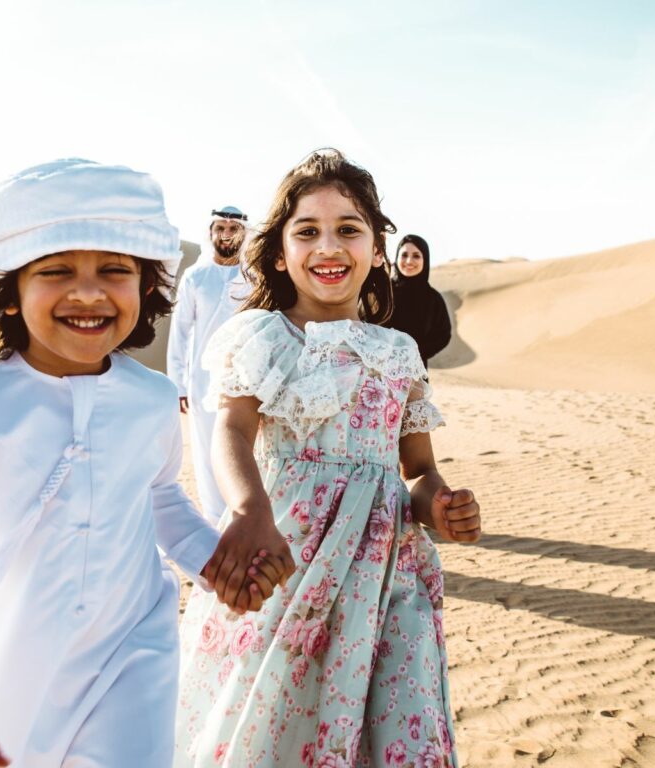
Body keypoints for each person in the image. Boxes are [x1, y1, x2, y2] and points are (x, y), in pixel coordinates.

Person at [0, 160, 289, 768]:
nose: (88, 291)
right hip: (12, 662)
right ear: (9, 289)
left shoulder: (154, 398)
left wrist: (217, 566)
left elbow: (159, 499)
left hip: (133, 654)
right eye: (56, 271)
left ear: (148, 286)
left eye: (115, 269)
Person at [174, 149, 482, 767]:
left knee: (394, 727)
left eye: (349, 230)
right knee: (276, 717)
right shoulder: (261, 335)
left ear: (376, 249)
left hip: (386, 578)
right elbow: (231, 430)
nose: (328, 246)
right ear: (280, 251)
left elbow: (416, 468)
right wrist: (248, 509)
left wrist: (439, 506)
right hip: (286, 559)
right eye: (307, 231)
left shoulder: (399, 352)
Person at [167, 205, 251, 524]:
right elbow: (180, 334)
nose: (227, 234)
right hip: (201, 386)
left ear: (244, 233)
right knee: (206, 456)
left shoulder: (253, 278)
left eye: (233, 228)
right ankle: (217, 528)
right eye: (221, 228)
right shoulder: (195, 277)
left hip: (245, 384)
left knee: (244, 454)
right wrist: (178, 384)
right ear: (211, 232)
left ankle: (242, 521)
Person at [385, 234, 452, 368]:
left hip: (415, 373)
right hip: (378, 372)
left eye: (416, 256)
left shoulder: (433, 299)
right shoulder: (383, 292)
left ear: (425, 260)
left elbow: (443, 335)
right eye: (404, 255)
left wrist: (415, 352)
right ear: (396, 257)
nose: (409, 261)